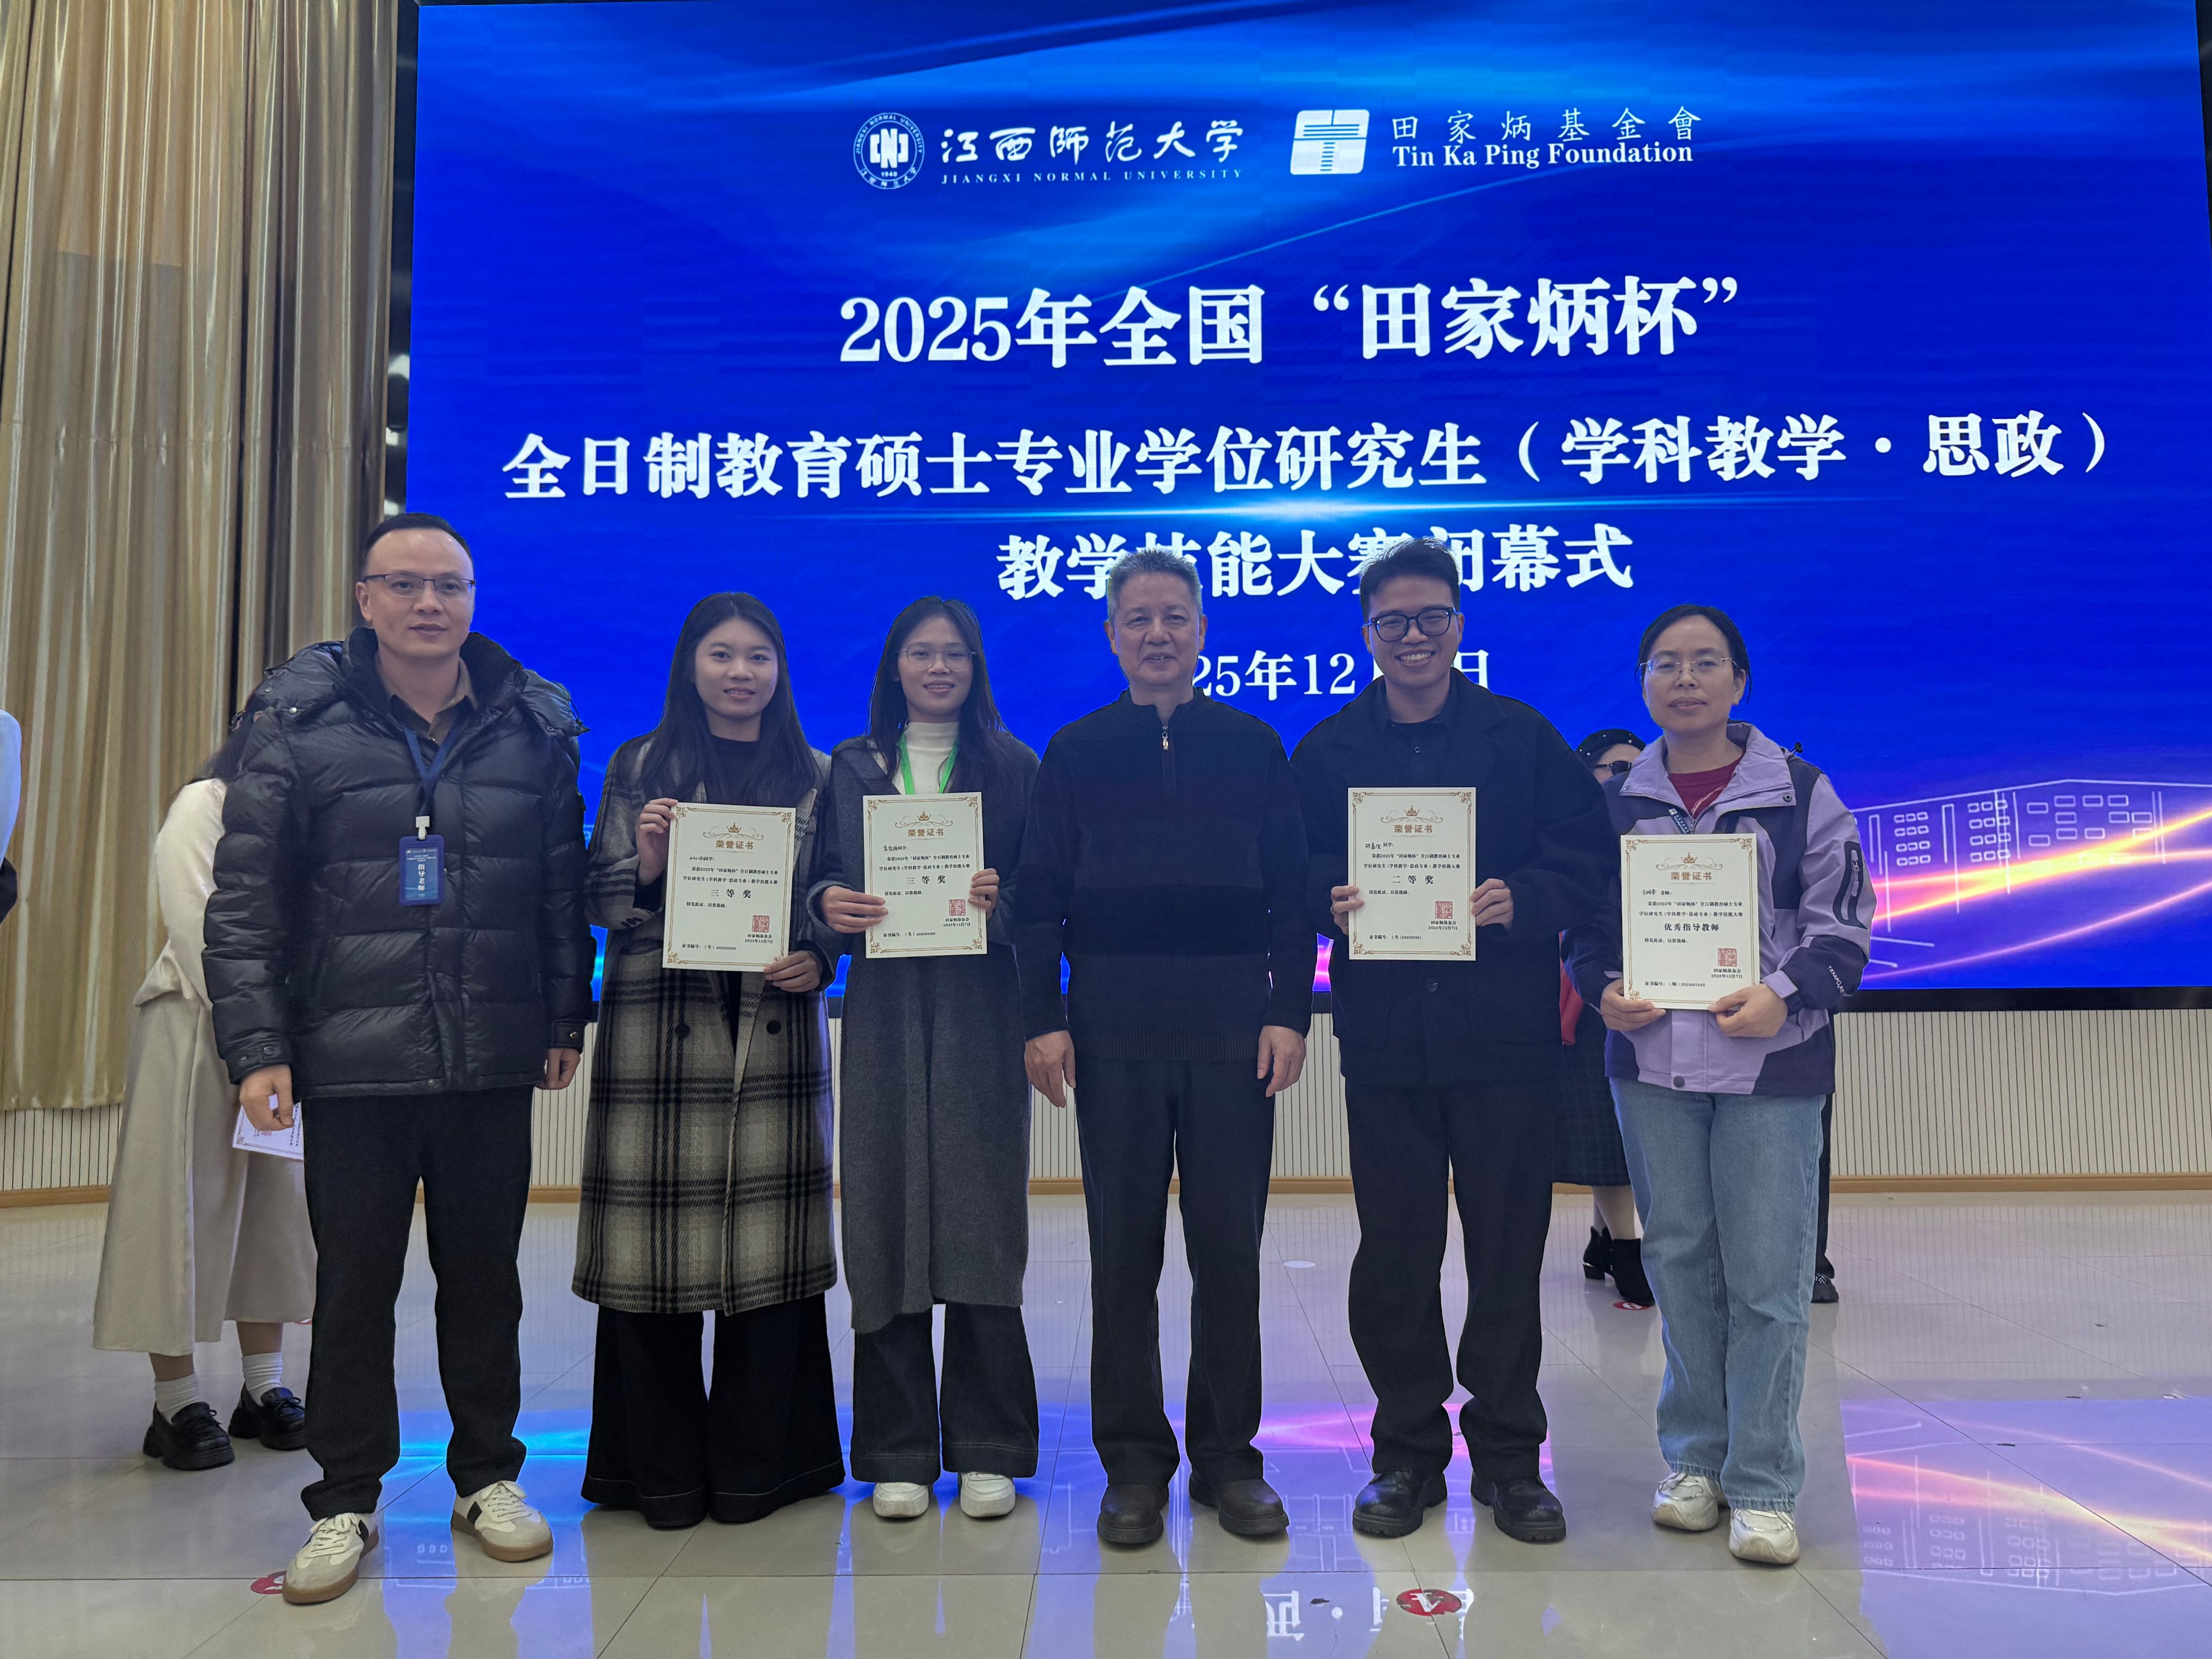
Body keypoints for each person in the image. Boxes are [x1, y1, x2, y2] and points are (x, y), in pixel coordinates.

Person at [205, 512, 593, 1605]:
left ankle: (488, 1477)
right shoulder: (299, 723)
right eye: (406, 584)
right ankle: (344, 1498)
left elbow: (558, 891)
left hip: (489, 1050)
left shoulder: (530, 725)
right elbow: (246, 901)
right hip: (350, 1054)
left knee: (485, 1282)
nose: (430, 604)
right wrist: (257, 1046)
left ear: (473, 600)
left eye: (450, 586)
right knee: (354, 1288)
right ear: (365, 599)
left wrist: (565, 1016)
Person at [1290, 538, 1612, 1543]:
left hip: (1503, 1039)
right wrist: (1327, 897)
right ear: (1368, 634)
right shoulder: (1329, 750)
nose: (1414, 636)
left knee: (1507, 1251)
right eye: (1393, 622)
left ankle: (1510, 1458)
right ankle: (1406, 1454)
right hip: (1388, 1040)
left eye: (1432, 617)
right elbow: (1289, 868)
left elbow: (1586, 863)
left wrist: (1524, 898)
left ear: (1460, 625)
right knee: (1396, 1252)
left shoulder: (1524, 738)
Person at [1014, 547, 1313, 1547]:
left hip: (1234, 1040)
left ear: (1202, 631)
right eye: (1137, 618)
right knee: (1123, 1256)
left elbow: (1291, 896)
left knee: (1228, 1254)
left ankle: (1229, 1459)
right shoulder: (1075, 751)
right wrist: (1042, 1016)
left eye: (1174, 616)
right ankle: (1135, 1464)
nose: (1157, 634)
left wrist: (1289, 1011)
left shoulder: (1253, 745)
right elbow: (1038, 900)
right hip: (1113, 1038)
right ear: (1111, 635)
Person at [1568, 602, 1870, 1567]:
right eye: (1665, 663)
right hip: (1653, 1066)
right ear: (1643, 683)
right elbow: (1583, 929)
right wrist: (1603, 988)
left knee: (1769, 1279)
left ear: (1739, 680)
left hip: (1770, 1067)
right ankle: (1694, 1462)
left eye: (1705, 662)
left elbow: (1844, 927)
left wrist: (1784, 995)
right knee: (1680, 1265)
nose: (1685, 679)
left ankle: (1766, 1482)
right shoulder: (1614, 803)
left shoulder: (1802, 791)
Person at [573, 592, 845, 1530]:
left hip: (773, 1026)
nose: (741, 672)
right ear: (690, 664)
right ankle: (659, 1476)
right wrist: (647, 862)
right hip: (661, 1035)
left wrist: (821, 954)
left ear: (780, 670)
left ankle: (759, 1471)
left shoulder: (818, 773)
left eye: (759, 656)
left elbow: (832, 898)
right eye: (722, 654)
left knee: (770, 1259)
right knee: (651, 1263)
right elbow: (598, 898)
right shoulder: (639, 764)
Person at [813, 598, 1041, 1523]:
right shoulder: (852, 764)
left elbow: (1046, 892)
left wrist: (1001, 900)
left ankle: (989, 1444)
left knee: (982, 1215)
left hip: (981, 1009)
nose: (939, 667)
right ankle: (897, 1449)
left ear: (976, 667)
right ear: (895, 666)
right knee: (885, 1211)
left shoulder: (1014, 765)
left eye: (955, 653)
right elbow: (821, 875)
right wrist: (831, 903)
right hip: (884, 1009)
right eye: (921, 652)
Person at [93, 713, 316, 1469]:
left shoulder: (317, 811)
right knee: (177, 1211)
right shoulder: (206, 802)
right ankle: (177, 1401)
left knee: (276, 1212)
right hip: (195, 1026)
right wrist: (255, 1035)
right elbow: (196, 925)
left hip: (282, 1037)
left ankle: (265, 1387)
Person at [1560, 729, 1655, 1309]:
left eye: (1638, 768)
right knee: (1603, 1129)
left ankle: (1603, 1239)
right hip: (1592, 987)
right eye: (1614, 768)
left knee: (1626, 1130)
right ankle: (1626, 1246)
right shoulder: (1572, 827)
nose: (1627, 780)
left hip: (1665, 991)